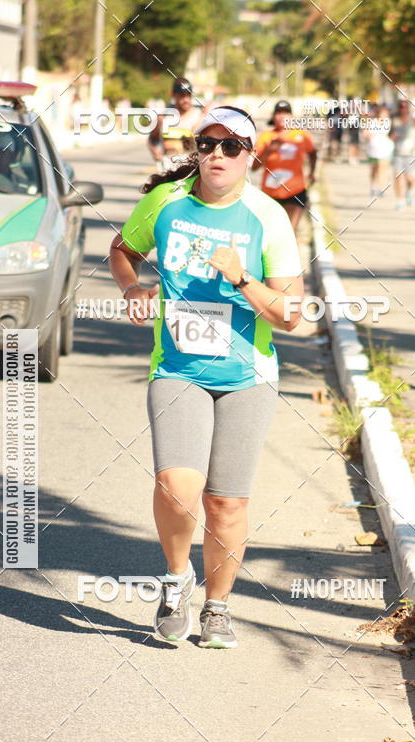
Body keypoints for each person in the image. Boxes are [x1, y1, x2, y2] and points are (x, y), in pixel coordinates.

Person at [109, 106, 303, 648]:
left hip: (248, 376)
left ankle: (217, 608)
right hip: (176, 368)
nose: (217, 155)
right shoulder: (165, 203)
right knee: (177, 485)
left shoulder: (268, 217)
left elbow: (291, 314)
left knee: (226, 501)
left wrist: (241, 277)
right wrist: (132, 290)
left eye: (231, 146)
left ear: (250, 155)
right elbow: (122, 250)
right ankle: (176, 581)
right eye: (208, 144)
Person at [252, 99, 317, 233]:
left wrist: (312, 172)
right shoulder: (266, 136)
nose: (282, 116)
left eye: (286, 113)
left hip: (296, 191)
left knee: (290, 233)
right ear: (273, 117)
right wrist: (269, 149)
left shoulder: (301, 135)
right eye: (279, 113)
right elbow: (254, 167)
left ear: (291, 117)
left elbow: (313, 153)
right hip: (271, 193)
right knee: (270, 233)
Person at [147, 77, 203, 173]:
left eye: (188, 95)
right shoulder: (163, 118)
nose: (186, 99)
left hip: (191, 173)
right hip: (167, 172)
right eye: (182, 95)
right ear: (173, 95)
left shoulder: (200, 117)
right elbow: (152, 139)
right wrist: (156, 153)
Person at [390, 99, 415, 209]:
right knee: (397, 176)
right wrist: (392, 137)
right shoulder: (395, 120)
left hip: (411, 153)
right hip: (398, 152)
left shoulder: (414, 120)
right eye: (401, 106)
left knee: (410, 178)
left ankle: (409, 192)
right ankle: (400, 200)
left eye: (405, 106)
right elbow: (390, 133)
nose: (403, 109)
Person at [364, 104, 393, 197]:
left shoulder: (389, 122)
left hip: (385, 148)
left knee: (383, 168)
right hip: (373, 149)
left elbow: (392, 134)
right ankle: (373, 186)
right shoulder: (372, 122)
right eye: (383, 113)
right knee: (374, 168)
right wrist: (369, 136)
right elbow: (366, 133)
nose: (384, 115)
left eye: (386, 114)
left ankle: (381, 187)